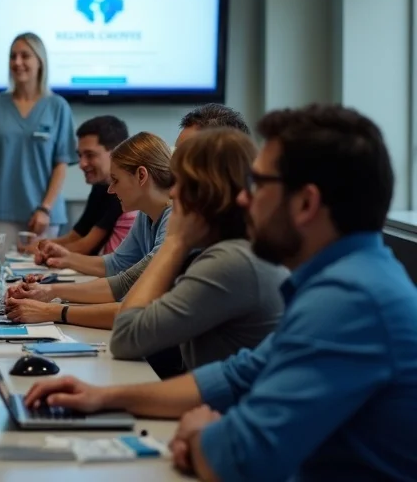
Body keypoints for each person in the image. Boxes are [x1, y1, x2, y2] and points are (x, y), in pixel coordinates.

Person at [23, 104, 417, 481]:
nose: (244, 197)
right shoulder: (338, 282)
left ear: (306, 203)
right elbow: (236, 376)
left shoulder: (351, 301)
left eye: (258, 183)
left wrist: (200, 434)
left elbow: (240, 458)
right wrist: (102, 397)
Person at [16, 103, 252, 319]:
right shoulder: (170, 221)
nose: (175, 170)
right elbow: (120, 269)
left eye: (187, 159)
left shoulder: (209, 239)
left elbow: (135, 309)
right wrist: (51, 291)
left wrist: (53, 307)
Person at [108, 127, 286, 370]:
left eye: (181, 182)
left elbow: (126, 337)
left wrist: (174, 242)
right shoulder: (222, 251)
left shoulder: (231, 261)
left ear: (209, 191)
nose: (172, 192)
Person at [7, 132, 173, 329]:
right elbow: (117, 264)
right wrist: (50, 289)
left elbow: (124, 284)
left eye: (116, 180)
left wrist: (50, 306)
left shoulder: (175, 218)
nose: (111, 190)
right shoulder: (146, 214)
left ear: (141, 175)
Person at [0, 32, 76, 248]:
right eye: (13, 56)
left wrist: (45, 208)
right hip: (3, 207)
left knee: (41, 277)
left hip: (43, 214)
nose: (17, 62)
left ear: (40, 61)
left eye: (25, 56)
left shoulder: (58, 106)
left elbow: (61, 164)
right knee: (0, 274)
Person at [38, 115, 133, 255]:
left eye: (90, 155)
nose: (81, 164)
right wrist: (38, 246)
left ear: (116, 153)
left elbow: (85, 247)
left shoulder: (125, 192)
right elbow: (76, 236)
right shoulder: (101, 185)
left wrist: (39, 250)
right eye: (80, 155)